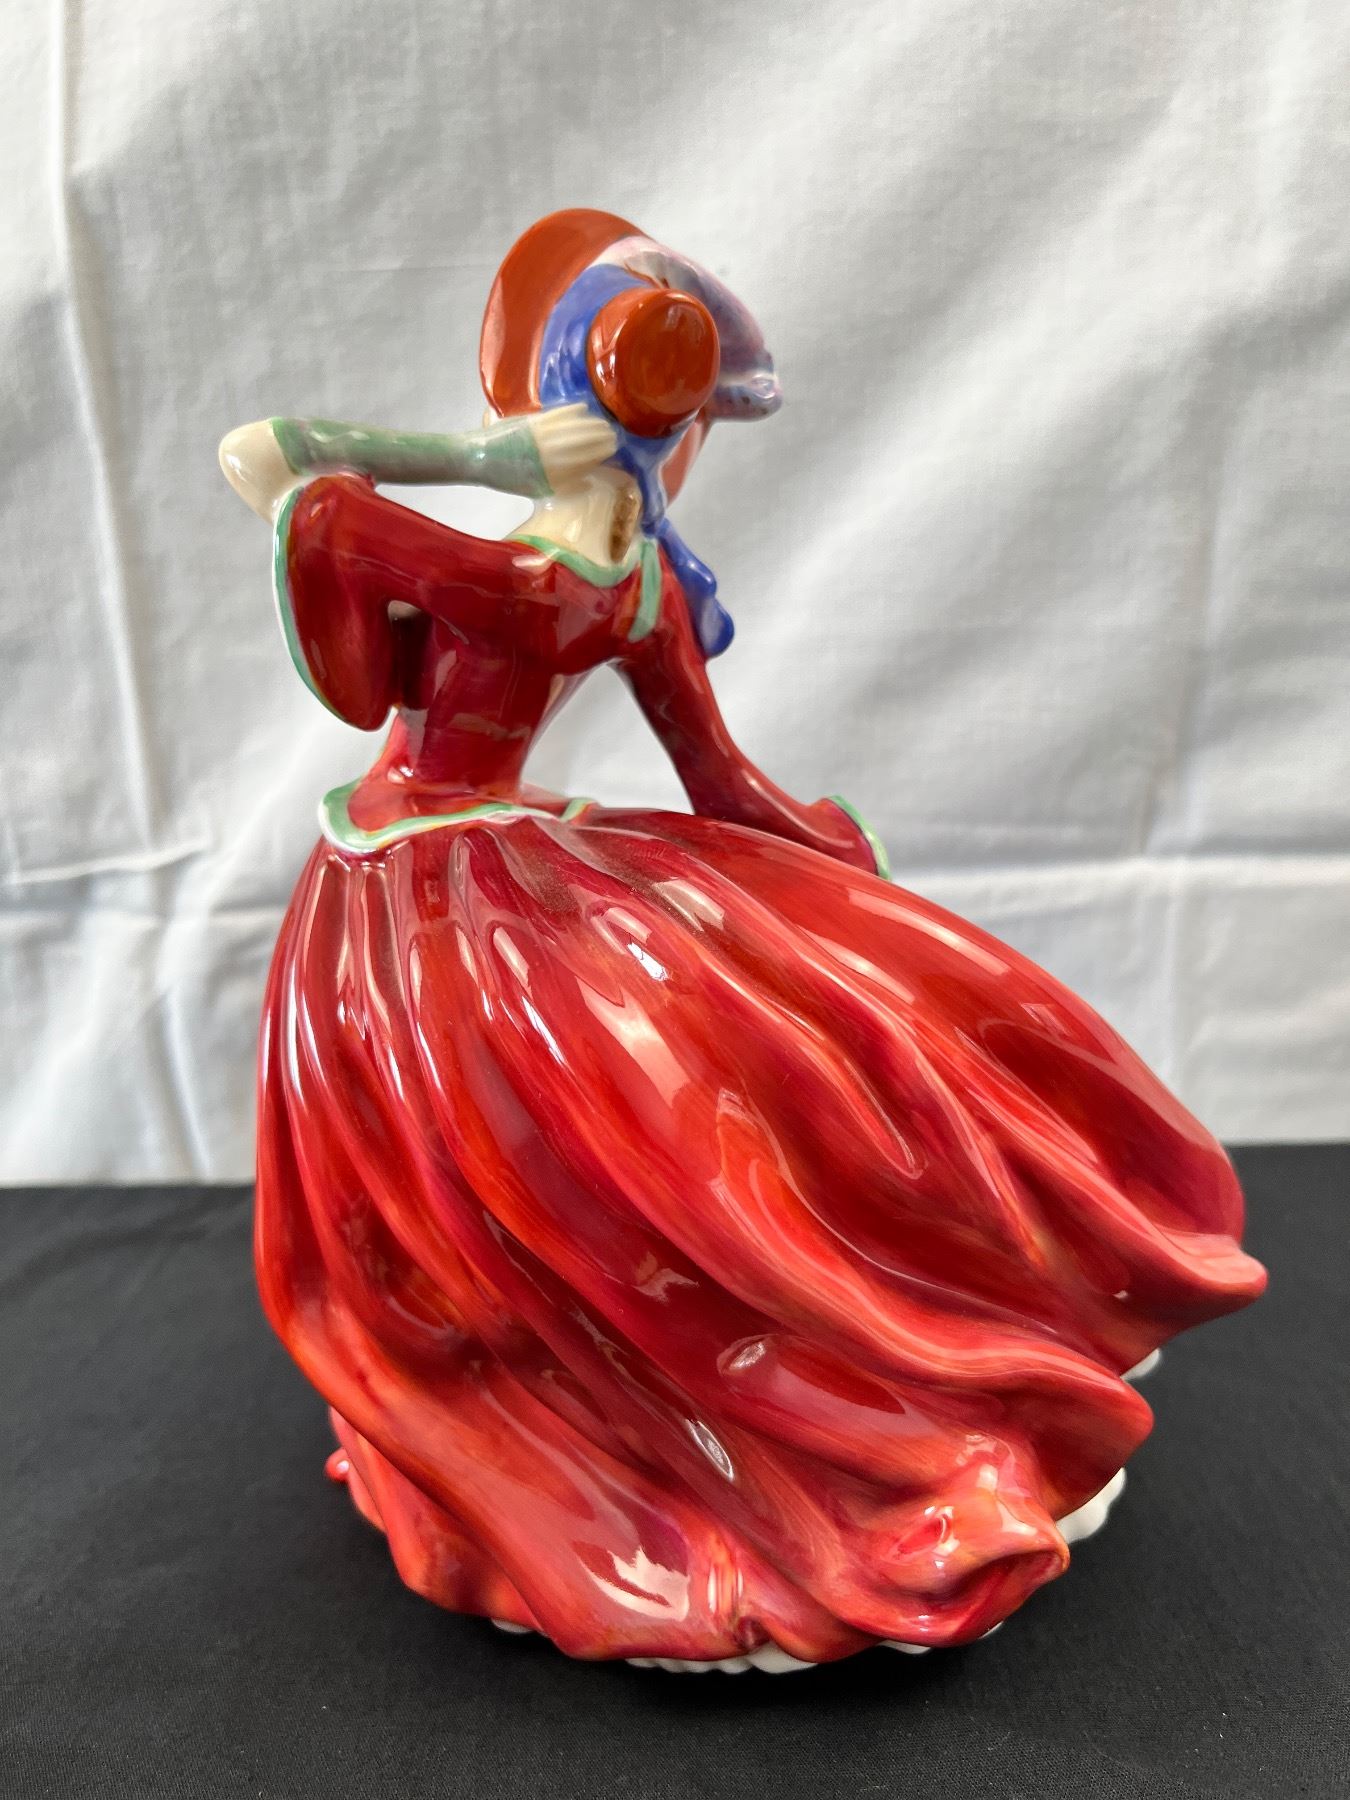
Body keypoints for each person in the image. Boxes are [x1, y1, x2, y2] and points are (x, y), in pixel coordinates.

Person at [222, 209, 1265, 1671]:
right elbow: (727, 787)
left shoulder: (535, 575)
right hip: (455, 885)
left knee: (594, 1150)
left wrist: (467, 463)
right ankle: (605, 1411)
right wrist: (820, 847)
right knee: (597, 1144)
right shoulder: (628, 584)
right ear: (678, 435)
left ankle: (610, 1429)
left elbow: (290, 487)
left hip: (406, 885)